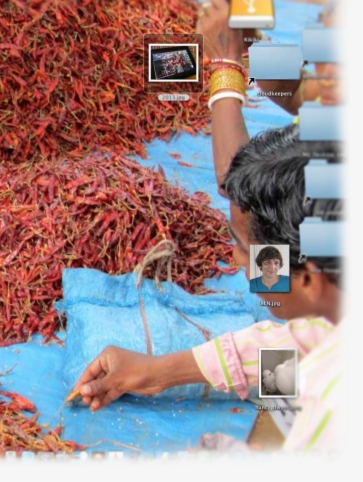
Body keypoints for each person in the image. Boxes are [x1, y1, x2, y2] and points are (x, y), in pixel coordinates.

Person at [72, 125, 342, 452]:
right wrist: (156, 373)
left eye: (245, 247)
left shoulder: (333, 400)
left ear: (309, 280)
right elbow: (292, 347)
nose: (234, 257)